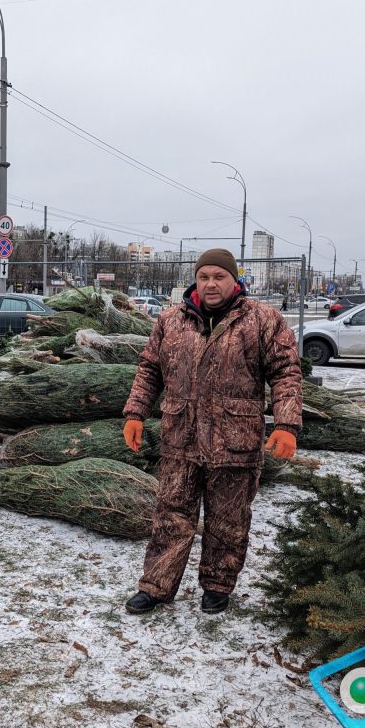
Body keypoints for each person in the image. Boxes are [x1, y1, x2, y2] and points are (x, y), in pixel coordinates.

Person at [121, 249, 303, 616]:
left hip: (234, 442)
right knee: (171, 517)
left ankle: (217, 586)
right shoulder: (171, 321)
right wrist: (135, 413)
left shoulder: (262, 321)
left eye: (219, 276)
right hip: (180, 438)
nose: (210, 284)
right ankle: (156, 586)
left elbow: (286, 373)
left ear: (235, 280)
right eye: (204, 276)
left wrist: (286, 424)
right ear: (196, 280)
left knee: (228, 521)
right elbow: (149, 370)